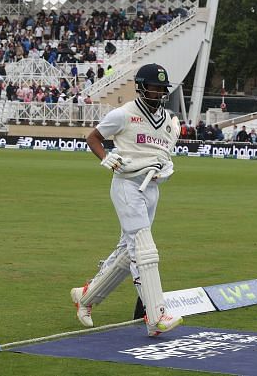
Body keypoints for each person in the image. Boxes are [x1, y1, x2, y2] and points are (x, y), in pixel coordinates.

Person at [71, 63, 182, 337]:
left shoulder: (169, 122)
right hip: (126, 184)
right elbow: (93, 137)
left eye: (161, 89)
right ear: (142, 87)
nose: (158, 93)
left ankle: (85, 299)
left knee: (127, 253)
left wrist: (165, 169)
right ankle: (156, 317)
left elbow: (163, 157)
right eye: (154, 88)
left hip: (151, 190)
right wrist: (106, 157)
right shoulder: (123, 115)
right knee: (144, 249)